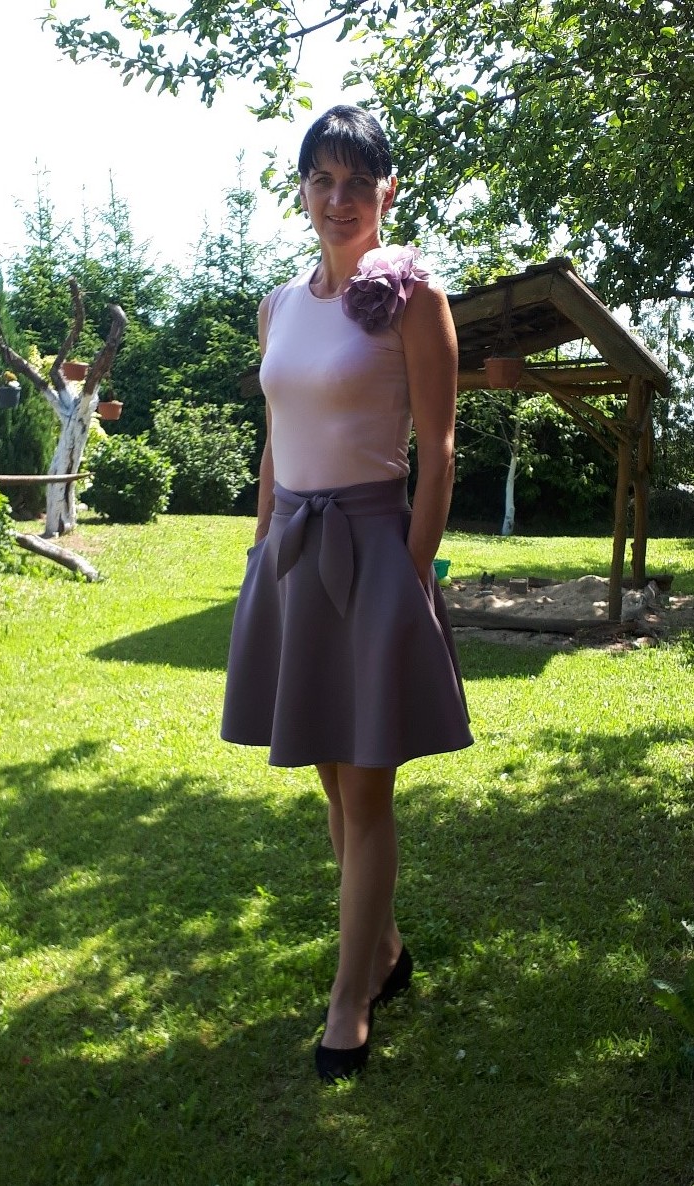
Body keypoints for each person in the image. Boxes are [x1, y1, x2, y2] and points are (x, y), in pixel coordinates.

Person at [221, 105, 473, 1083]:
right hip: (293, 555)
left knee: (366, 788)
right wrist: (258, 554)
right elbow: (275, 442)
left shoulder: (414, 298)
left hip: (372, 551)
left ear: (385, 193)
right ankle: (386, 949)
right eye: (321, 180)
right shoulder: (277, 307)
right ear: (300, 190)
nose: (339, 200)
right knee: (331, 775)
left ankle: (348, 999)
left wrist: (411, 574)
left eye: (357, 183)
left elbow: (437, 453)